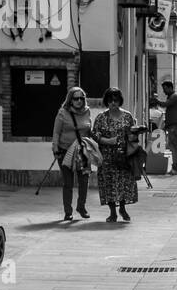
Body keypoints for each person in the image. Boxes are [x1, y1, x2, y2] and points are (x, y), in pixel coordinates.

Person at [51, 86, 97, 221]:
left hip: (82, 151)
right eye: (76, 98)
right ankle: (68, 211)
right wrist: (55, 149)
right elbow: (56, 132)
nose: (79, 101)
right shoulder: (63, 113)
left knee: (84, 180)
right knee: (68, 182)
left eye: (81, 98)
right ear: (70, 100)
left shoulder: (87, 111)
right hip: (65, 150)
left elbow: (89, 130)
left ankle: (81, 207)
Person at [93, 87, 138, 222]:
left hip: (124, 155)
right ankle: (112, 212)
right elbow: (94, 135)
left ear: (120, 101)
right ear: (106, 101)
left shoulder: (127, 116)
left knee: (124, 182)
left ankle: (123, 208)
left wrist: (135, 134)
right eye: (110, 100)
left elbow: (133, 135)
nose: (113, 103)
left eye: (116, 100)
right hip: (107, 156)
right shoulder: (101, 117)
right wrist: (107, 141)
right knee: (109, 183)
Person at [155, 79, 177, 174]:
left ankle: (176, 168)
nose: (163, 91)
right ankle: (175, 167)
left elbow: (165, 105)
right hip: (172, 125)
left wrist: (156, 101)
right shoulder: (172, 96)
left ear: (170, 87)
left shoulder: (174, 96)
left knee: (174, 146)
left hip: (174, 125)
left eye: (165, 89)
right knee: (173, 146)